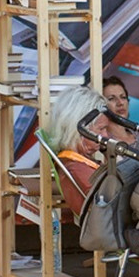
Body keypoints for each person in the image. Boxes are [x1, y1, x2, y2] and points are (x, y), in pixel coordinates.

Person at [44, 86, 111, 214]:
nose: (106, 136)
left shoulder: (77, 163)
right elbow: (109, 205)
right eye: (101, 129)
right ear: (79, 129)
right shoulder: (76, 168)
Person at [102, 75, 139, 157]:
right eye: (111, 98)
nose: (120, 103)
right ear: (101, 105)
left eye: (123, 97)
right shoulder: (103, 142)